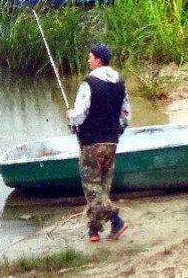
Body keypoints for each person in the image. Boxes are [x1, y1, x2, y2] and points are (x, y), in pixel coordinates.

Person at [66, 43, 132, 242]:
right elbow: (126, 114)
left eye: (90, 57)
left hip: (90, 143)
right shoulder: (120, 83)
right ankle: (94, 230)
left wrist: (70, 115)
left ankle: (116, 219)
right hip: (111, 143)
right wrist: (116, 132)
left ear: (98, 60)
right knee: (102, 188)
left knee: (92, 188)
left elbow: (79, 116)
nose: (88, 60)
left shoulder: (89, 83)